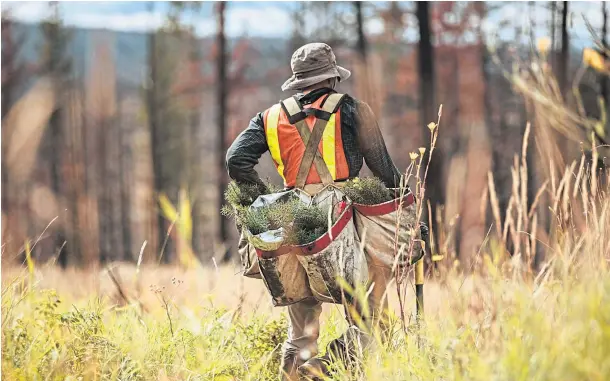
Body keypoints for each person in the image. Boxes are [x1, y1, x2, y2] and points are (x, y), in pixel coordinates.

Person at [226, 42, 403, 380]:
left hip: (291, 217)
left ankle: (295, 373)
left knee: (301, 328)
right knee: (366, 318)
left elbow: (236, 160)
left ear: (299, 82)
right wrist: (409, 211)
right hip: (339, 221)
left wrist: (264, 202)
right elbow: (385, 170)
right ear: (333, 78)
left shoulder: (270, 117)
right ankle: (321, 369)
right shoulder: (353, 110)